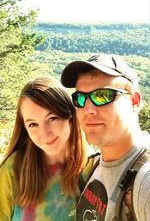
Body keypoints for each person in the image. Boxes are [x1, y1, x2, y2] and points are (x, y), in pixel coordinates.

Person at [61, 54, 150, 221]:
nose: (88, 110)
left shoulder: (145, 181)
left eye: (102, 96)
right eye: (80, 98)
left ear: (134, 101)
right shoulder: (92, 166)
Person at [0, 76, 93, 221]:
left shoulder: (93, 167)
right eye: (33, 124)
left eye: (52, 119)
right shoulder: (13, 170)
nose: (44, 134)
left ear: (70, 116)